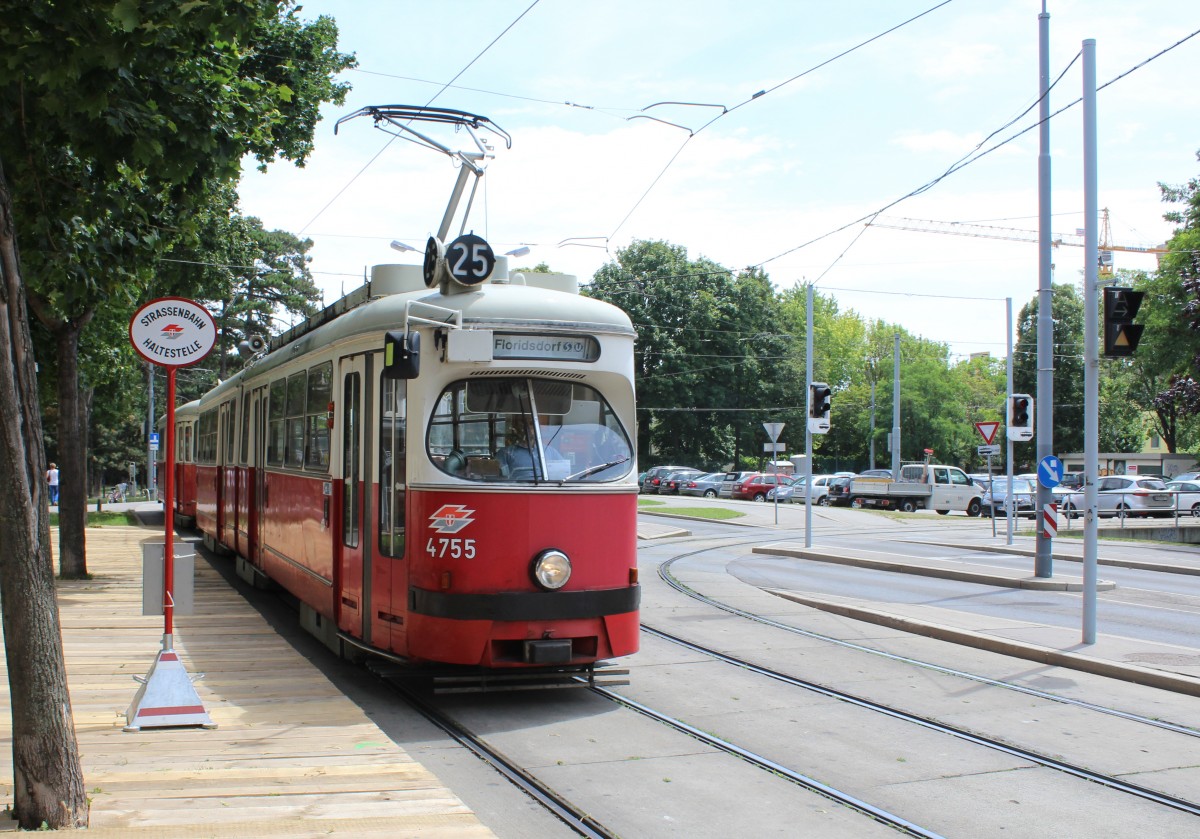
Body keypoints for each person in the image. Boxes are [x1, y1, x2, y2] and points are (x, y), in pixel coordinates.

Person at [499, 415, 561, 480]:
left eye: (531, 423)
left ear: (538, 427)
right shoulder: (506, 453)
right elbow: (501, 480)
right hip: (518, 488)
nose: (527, 427)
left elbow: (564, 472)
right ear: (516, 427)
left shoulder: (550, 451)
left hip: (544, 488)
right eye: (523, 423)